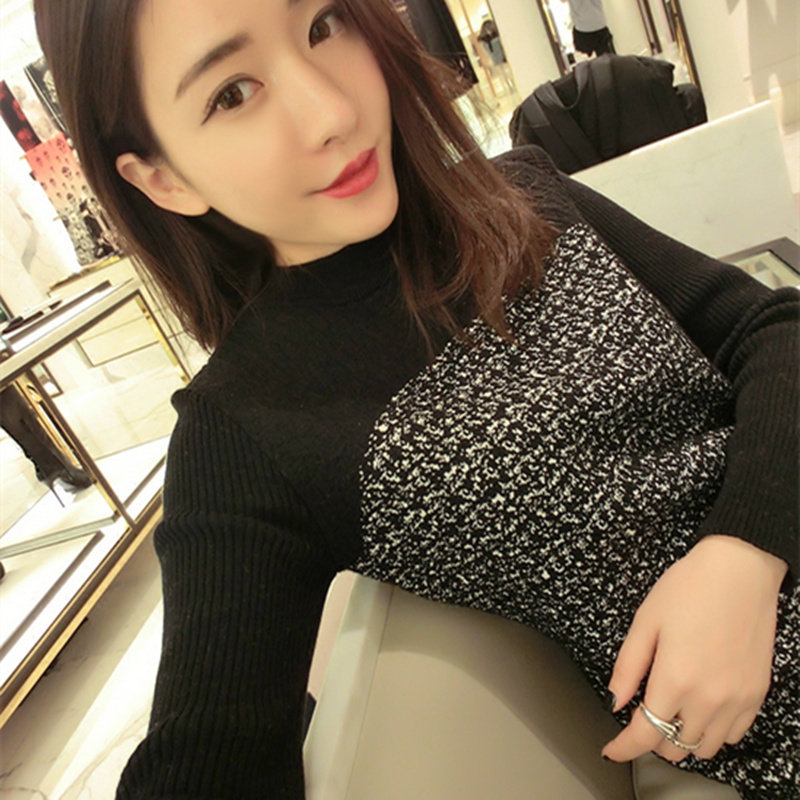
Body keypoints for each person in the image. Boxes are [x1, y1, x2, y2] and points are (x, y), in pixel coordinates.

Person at [32, 0, 798, 798]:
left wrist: (745, 553)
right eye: (232, 93)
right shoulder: (250, 426)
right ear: (162, 177)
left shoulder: (524, 195)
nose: (332, 112)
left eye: (323, 25)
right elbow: (207, 754)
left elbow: (774, 325)